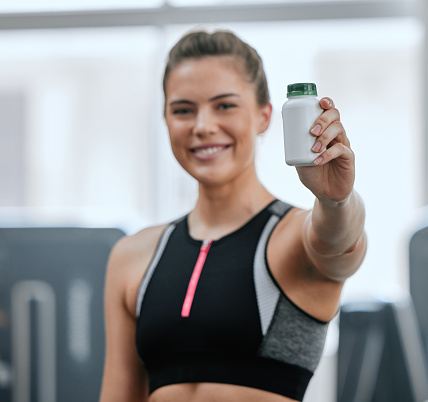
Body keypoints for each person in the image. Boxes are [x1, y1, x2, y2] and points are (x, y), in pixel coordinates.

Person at [99, 29, 366, 402]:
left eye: (224, 105)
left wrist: (336, 200)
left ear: (264, 116)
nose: (203, 126)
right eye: (183, 110)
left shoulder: (292, 238)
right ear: (165, 119)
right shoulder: (132, 256)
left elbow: (341, 243)